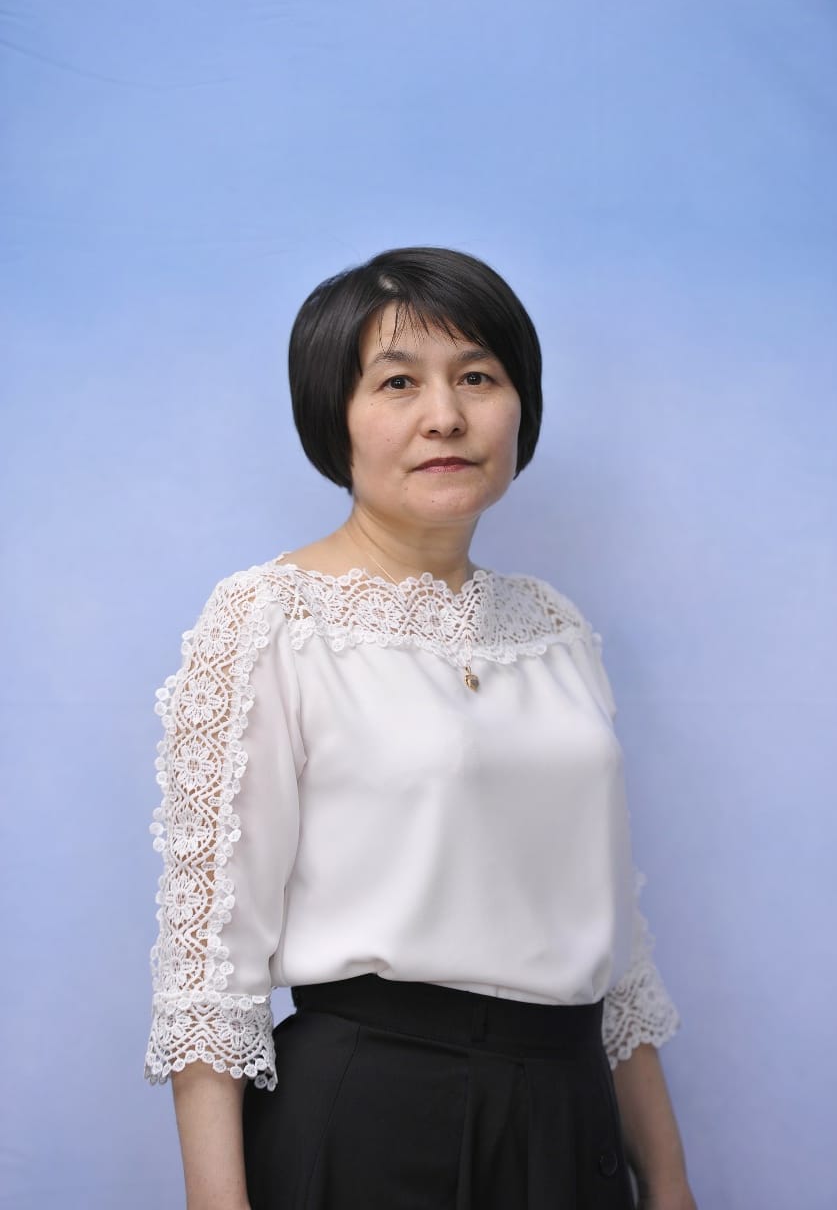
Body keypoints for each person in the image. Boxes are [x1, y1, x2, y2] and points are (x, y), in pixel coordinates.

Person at [144, 246, 697, 1210]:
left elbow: (618, 953)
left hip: (569, 1120)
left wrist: (672, 1183)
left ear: (520, 405)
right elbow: (208, 977)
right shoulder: (269, 621)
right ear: (334, 416)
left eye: (477, 377)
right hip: (372, 1118)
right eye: (397, 382)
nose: (445, 415)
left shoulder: (554, 628)